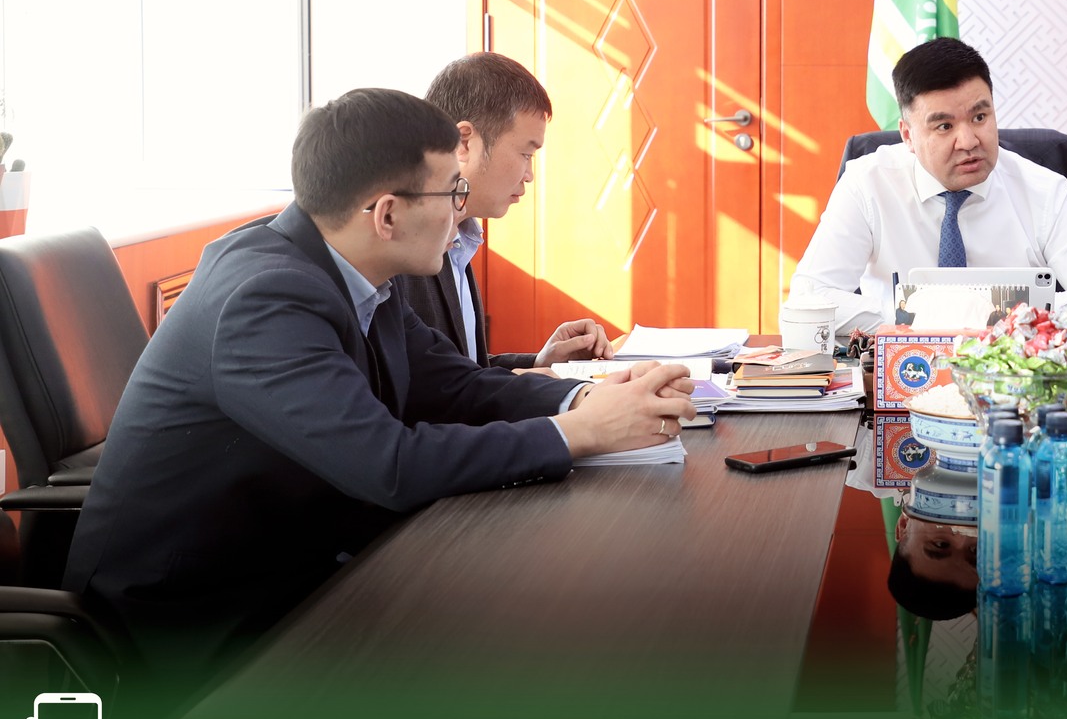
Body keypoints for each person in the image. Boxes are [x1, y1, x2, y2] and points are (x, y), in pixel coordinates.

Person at [64, 89, 696, 679]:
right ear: (388, 214)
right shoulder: (265, 298)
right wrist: (581, 432)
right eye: (452, 191)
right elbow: (388, 465)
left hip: (301, 558)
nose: (461, 207)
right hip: (197, 614)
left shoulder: (355, 267)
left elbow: (455, 385)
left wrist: (589, 395)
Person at [791, 38, 1067, 336]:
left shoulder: (1043, 190)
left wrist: (1009, 312)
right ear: (908, 135)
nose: (969, 141)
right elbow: (805, 303)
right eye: (944, 126)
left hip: (1011, 381)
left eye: (979, 117)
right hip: (903, 372)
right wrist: (921, 312)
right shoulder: (868, 183)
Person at [396, 52, 611, 369]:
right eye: (526, 154)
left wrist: (540, 363)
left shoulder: (461, 237)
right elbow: (427, 389)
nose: (529, 175)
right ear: (464, 143)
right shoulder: (403, 250)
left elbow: (463, 370)